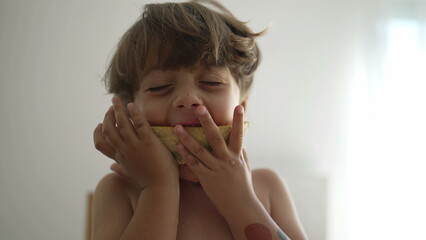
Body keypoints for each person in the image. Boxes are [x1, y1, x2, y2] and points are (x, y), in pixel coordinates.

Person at [91, 0, 308, 239]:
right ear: (131, 112)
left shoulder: (267, 187)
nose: (187, 98)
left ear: (242, 107)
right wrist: (158, 187)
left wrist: (240, 200)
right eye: (160, 87)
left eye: (212, 82)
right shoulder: (119, 191)